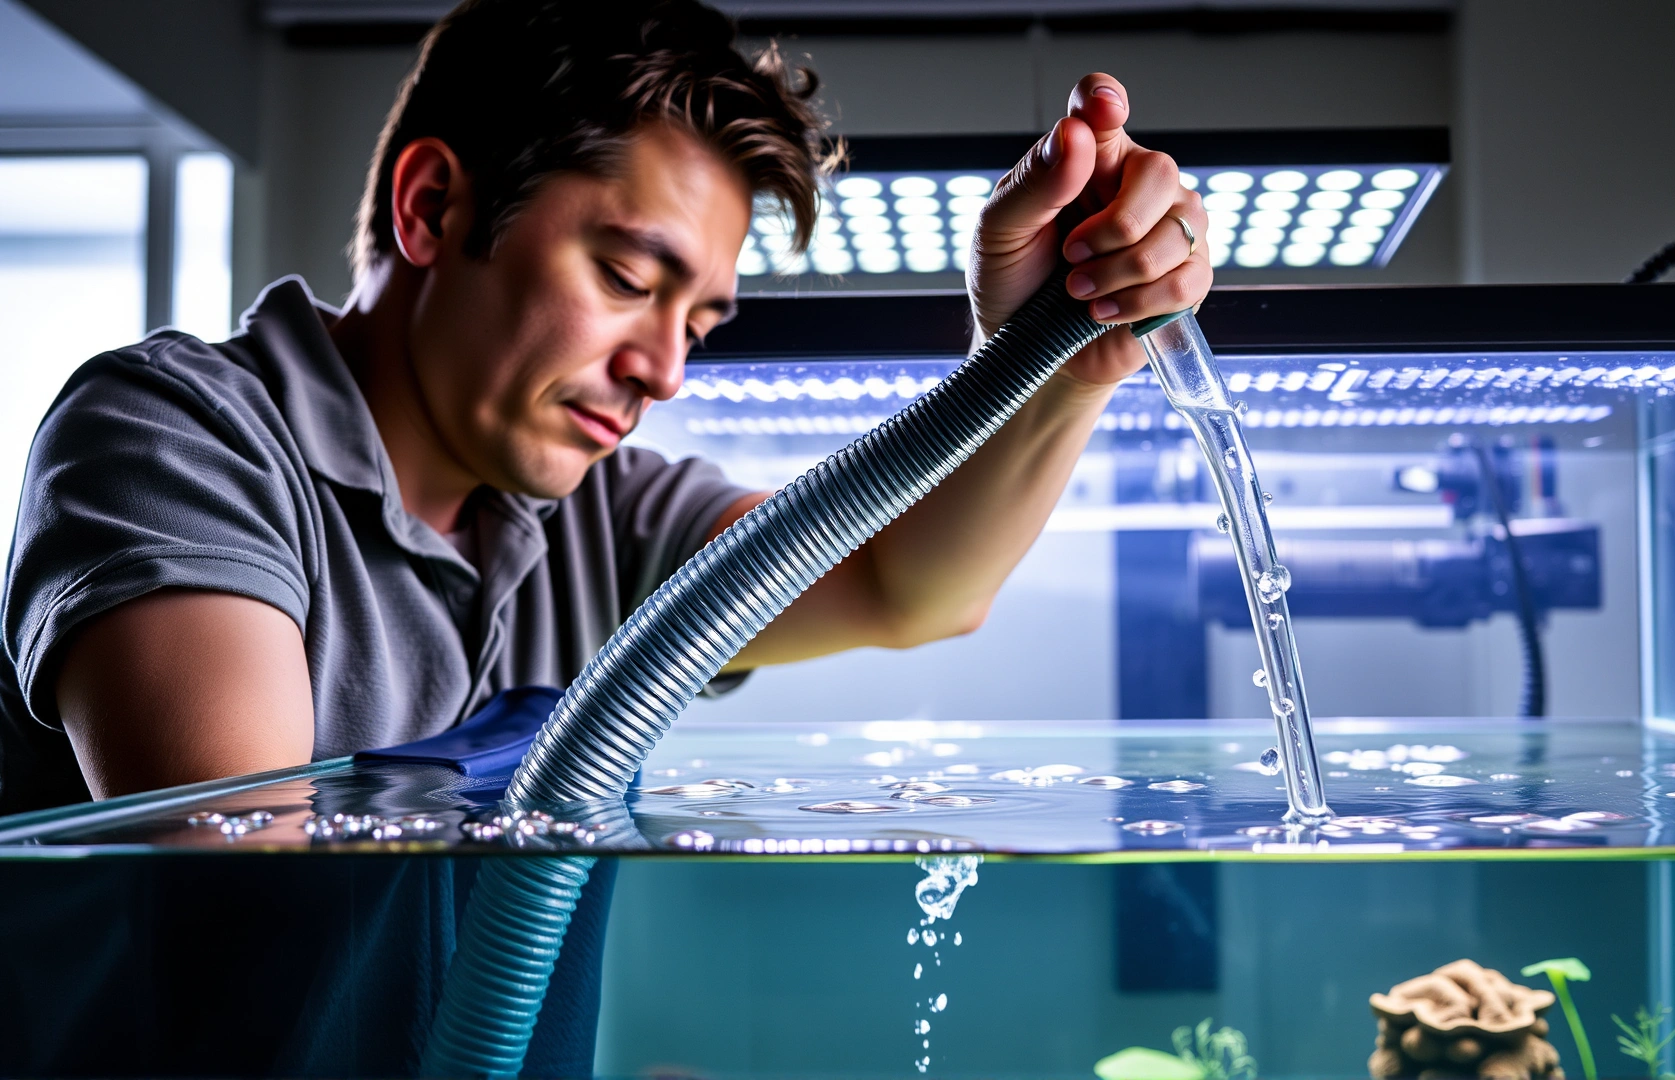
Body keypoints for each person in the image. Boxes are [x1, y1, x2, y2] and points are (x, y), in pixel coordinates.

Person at [0, 0, 1210, 813]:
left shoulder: (599, 516)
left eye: (696, 323)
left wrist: (1056, 353)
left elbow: (913, 585)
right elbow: (250, 904)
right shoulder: (177, 438)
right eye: (629, 280)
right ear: (433, 209)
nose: (665, 370)